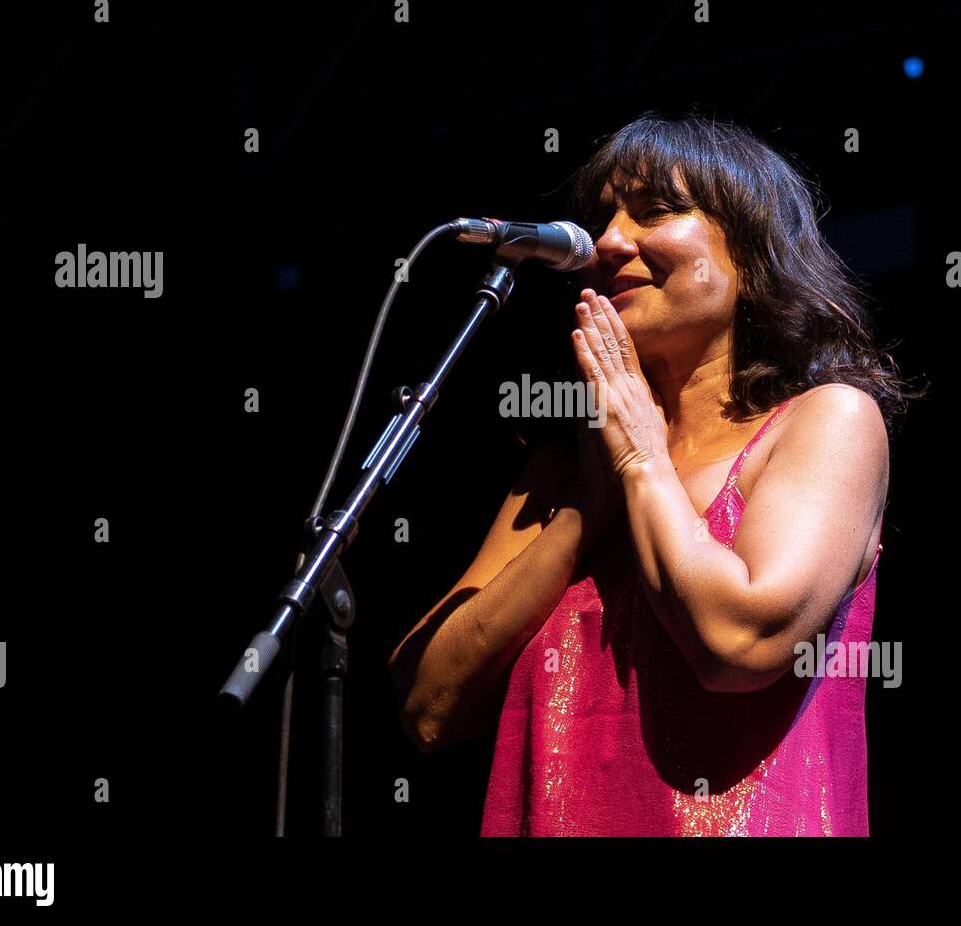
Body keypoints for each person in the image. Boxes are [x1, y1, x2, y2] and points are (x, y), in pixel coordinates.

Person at [388, 112, 919, 835]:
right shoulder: (561, 472)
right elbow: (427, 706)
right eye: (603, 217)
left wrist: (641, 458)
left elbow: (740, 644)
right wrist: (583, 514)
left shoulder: (827, 422)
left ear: (752, 248)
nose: (607, 242)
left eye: (655, 211)